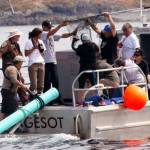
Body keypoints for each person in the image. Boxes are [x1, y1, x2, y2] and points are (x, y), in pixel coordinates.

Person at [41, 20, 77, 104]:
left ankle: (58, 99)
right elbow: (50, 33)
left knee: (56, 82)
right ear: (43, 27)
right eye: (48, 27)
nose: (50, 29)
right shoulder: (42, 34)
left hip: (53, 62)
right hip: (46, 63)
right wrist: (60, 25)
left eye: (51, 27)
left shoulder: (51, 34)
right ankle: (47, 101)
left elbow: (62, 36)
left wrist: (72, 33)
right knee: (47, 83)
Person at [0, 56, 28, 120]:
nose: (22, 65)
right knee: (13, 108)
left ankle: (2, 126)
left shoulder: (15, 69)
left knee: (4, 110)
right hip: (9, 92)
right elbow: (14, 80)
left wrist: (22, 85)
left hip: (8, 92)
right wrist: (23, 86)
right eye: (21, 63)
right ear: (18, 62)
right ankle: (13, 126)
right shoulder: (12, 69)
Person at [25, 28, 46, 95]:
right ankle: (30, 96)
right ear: (37, 34)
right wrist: (33, 48)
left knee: (41, 85)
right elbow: (26, 54)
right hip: (33, 64)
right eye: (40, 34)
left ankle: (40, 96)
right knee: (33, 84)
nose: (41, 35)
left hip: (41, 63)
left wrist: (40, 50)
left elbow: (43, 53)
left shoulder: (41, 42)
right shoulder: (29, 42)